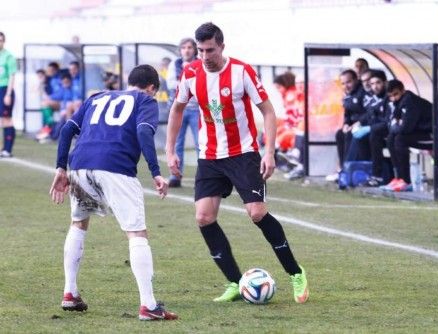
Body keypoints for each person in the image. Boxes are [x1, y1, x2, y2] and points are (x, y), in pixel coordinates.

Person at [166, 22, 309, 303]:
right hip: (209, 155)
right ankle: (234, 282)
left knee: (256, 213)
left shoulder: (242, 71)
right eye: (200, 50)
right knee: (204, 217)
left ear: (221, 46)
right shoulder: (191, 73)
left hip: (243, 153)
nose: (205, 56)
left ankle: (295, 272)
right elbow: (177, 109)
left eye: (210, 50)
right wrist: (171, 150)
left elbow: (268, 112)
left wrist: (269, 152)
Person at [49, 64, 178, 321]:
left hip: (81, 166)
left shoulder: (97, 97)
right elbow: (143, 131)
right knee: (136, 233)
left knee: (78, 223)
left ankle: (70, 293)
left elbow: (66, 130)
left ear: (129, 81)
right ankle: (149, 305)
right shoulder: (146, 100)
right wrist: (155, 171)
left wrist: (60, 168)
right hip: (116, 167)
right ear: (152, 88)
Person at [383, 79, 433, 192]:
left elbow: (406, 128)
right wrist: (398, 124)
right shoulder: (398, 102)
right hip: (420, 133)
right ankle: (399, 178)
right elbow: (391, 123)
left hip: (432, 136)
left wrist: (398, 124)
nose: (394, 98)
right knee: (391, 138)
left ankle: (406, 181)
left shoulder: (410, 102)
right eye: (390, 96)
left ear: (403, 90)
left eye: (396, 94)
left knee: (400, 139)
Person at [166, 37, 199, 188]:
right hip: (179, 109)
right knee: (177, 144)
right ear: (180, 50)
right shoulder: (175, 64)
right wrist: (188, 84)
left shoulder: (200, 64)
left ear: (194, 50)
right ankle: (175, 175)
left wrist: (185, 84)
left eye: (190, 47)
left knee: (201, 143)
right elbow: (171, 83)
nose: (187, 50)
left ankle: (204, 176)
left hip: (196, 110)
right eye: (184, 47)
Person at [0, 32, 17, 158]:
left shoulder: (9, 56)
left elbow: (12, 76)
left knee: (7, 119)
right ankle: (4, 148)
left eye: (1, 40)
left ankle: (7, 149)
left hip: (5, 89)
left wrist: (8, 94)